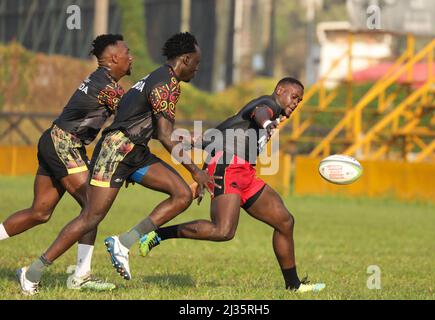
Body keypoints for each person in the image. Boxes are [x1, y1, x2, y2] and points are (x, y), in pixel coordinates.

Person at [16, 32, 218, 295]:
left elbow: (158, 129)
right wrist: (196, 171)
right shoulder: (166, 84)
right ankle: (33, 272)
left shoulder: (160, 78)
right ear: (186, 59)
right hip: (117, 152)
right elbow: (165, 136)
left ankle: (123, 244)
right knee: (91, 216)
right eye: (197, 62)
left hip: (135, 150)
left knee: (181, 195)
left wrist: (191, 141)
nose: (198, 68)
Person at [138, 78, 326, 293]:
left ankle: (294, 285)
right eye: (294, 97)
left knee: (285, 221)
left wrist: (201, 162)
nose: (295, 103)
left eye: (299, 101)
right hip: (228, 167)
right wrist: (266, 123)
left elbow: (223, 131)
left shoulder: (264, 114)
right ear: (280, 90)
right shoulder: (269, 104)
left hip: (244, 171)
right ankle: (157, 235)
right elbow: (261, 112)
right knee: (223, 231)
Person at [0, 34, 132, 292]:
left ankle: (80, 274)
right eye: (128, 52)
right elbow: (131, 118)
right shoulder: (109, 88)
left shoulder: (101, 81)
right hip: (64, 144)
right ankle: (66, 275)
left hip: (54, 140)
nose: (131, 57)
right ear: (114, 57)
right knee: (92, 207)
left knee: (40, 212)